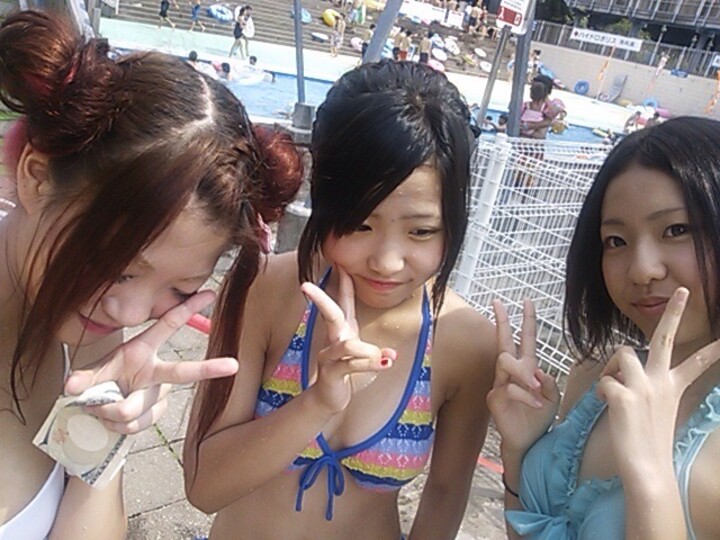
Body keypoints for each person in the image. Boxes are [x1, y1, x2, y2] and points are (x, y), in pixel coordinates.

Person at [0, 10, 303, 538]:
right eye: (117, 269)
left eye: (180, 290)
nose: (131, 313)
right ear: (36, 178)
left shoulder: (90, 339)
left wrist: (104, 435)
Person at [184, 60, 498, 539]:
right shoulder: (266, 288)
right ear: (324, 202)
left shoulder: (467, 342)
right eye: (359, 224)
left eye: (421, 231)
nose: (387, 262)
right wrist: (316, 403)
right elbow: (204, 486)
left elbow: (445, 492)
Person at [489, 117, 720, 540]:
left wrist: (651, 474)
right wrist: (519, 449)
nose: (641, 270)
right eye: (616, 240)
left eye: (677, 230)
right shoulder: (599, 378)